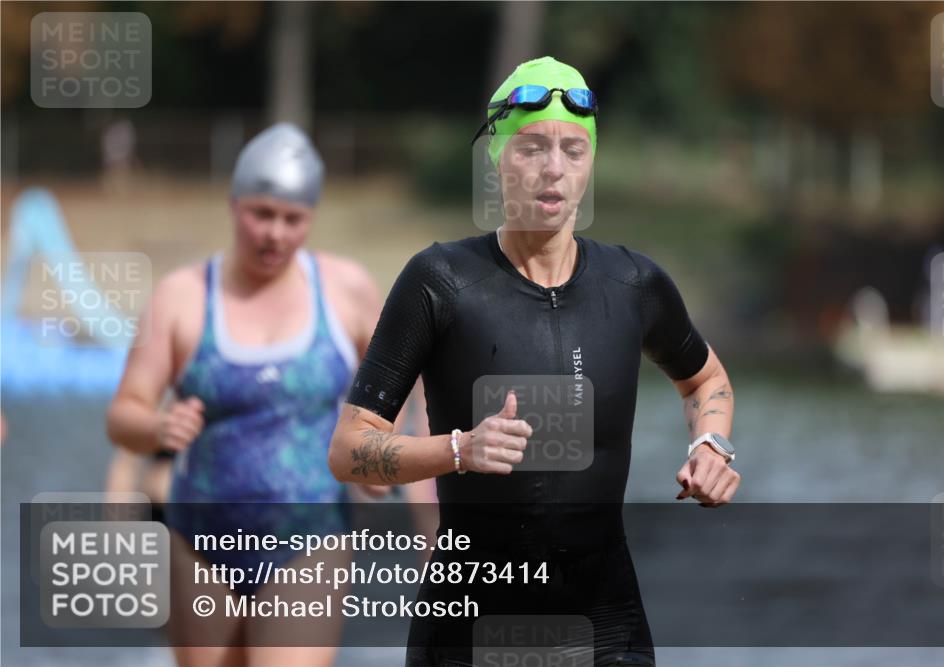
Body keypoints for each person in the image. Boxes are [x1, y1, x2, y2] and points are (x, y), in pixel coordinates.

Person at [328, 56, 740, 666]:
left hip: (605, 626)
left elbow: (704, 378)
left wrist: (711, 445)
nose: (553, 169)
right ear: (496, 159)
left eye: (574, 149)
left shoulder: (635, 284)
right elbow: (349, 450)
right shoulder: (439, 281)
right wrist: (459, 450)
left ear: (590, 163)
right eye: (531, 147)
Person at [106, 122, 432, 667]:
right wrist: (158, 428)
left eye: (292, 219)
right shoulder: (182, 297)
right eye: (262, 214)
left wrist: (380, 455)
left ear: (311, 218)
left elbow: (402, 395)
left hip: (309, 538)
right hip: (199, 539)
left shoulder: (345, 289)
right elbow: (122, 414)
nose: (275, 234)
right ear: (235, 206)